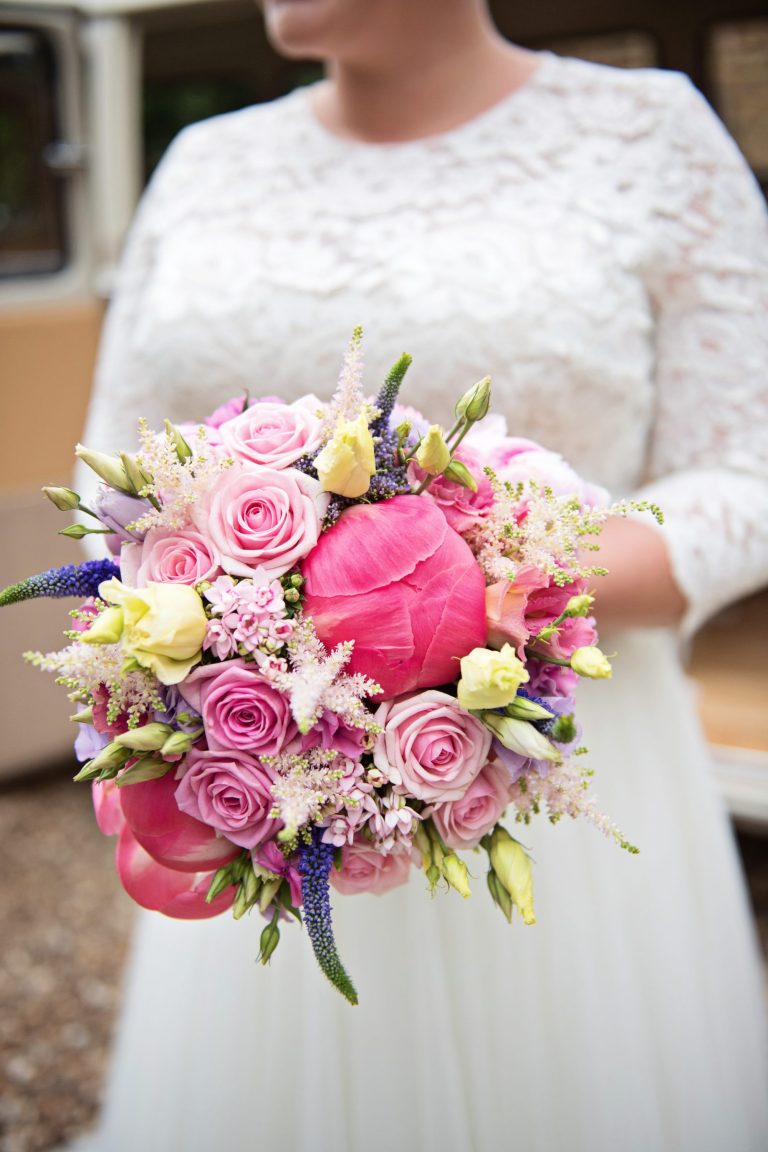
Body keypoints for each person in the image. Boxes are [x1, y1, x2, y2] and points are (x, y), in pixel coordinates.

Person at [73, 1, 768, 1148]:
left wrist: (474, 588)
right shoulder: (206, 162)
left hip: (559, 770)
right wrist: (206, 633)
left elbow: (747, 471)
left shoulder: (650, 136)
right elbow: (114, 472)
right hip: (259, 773)